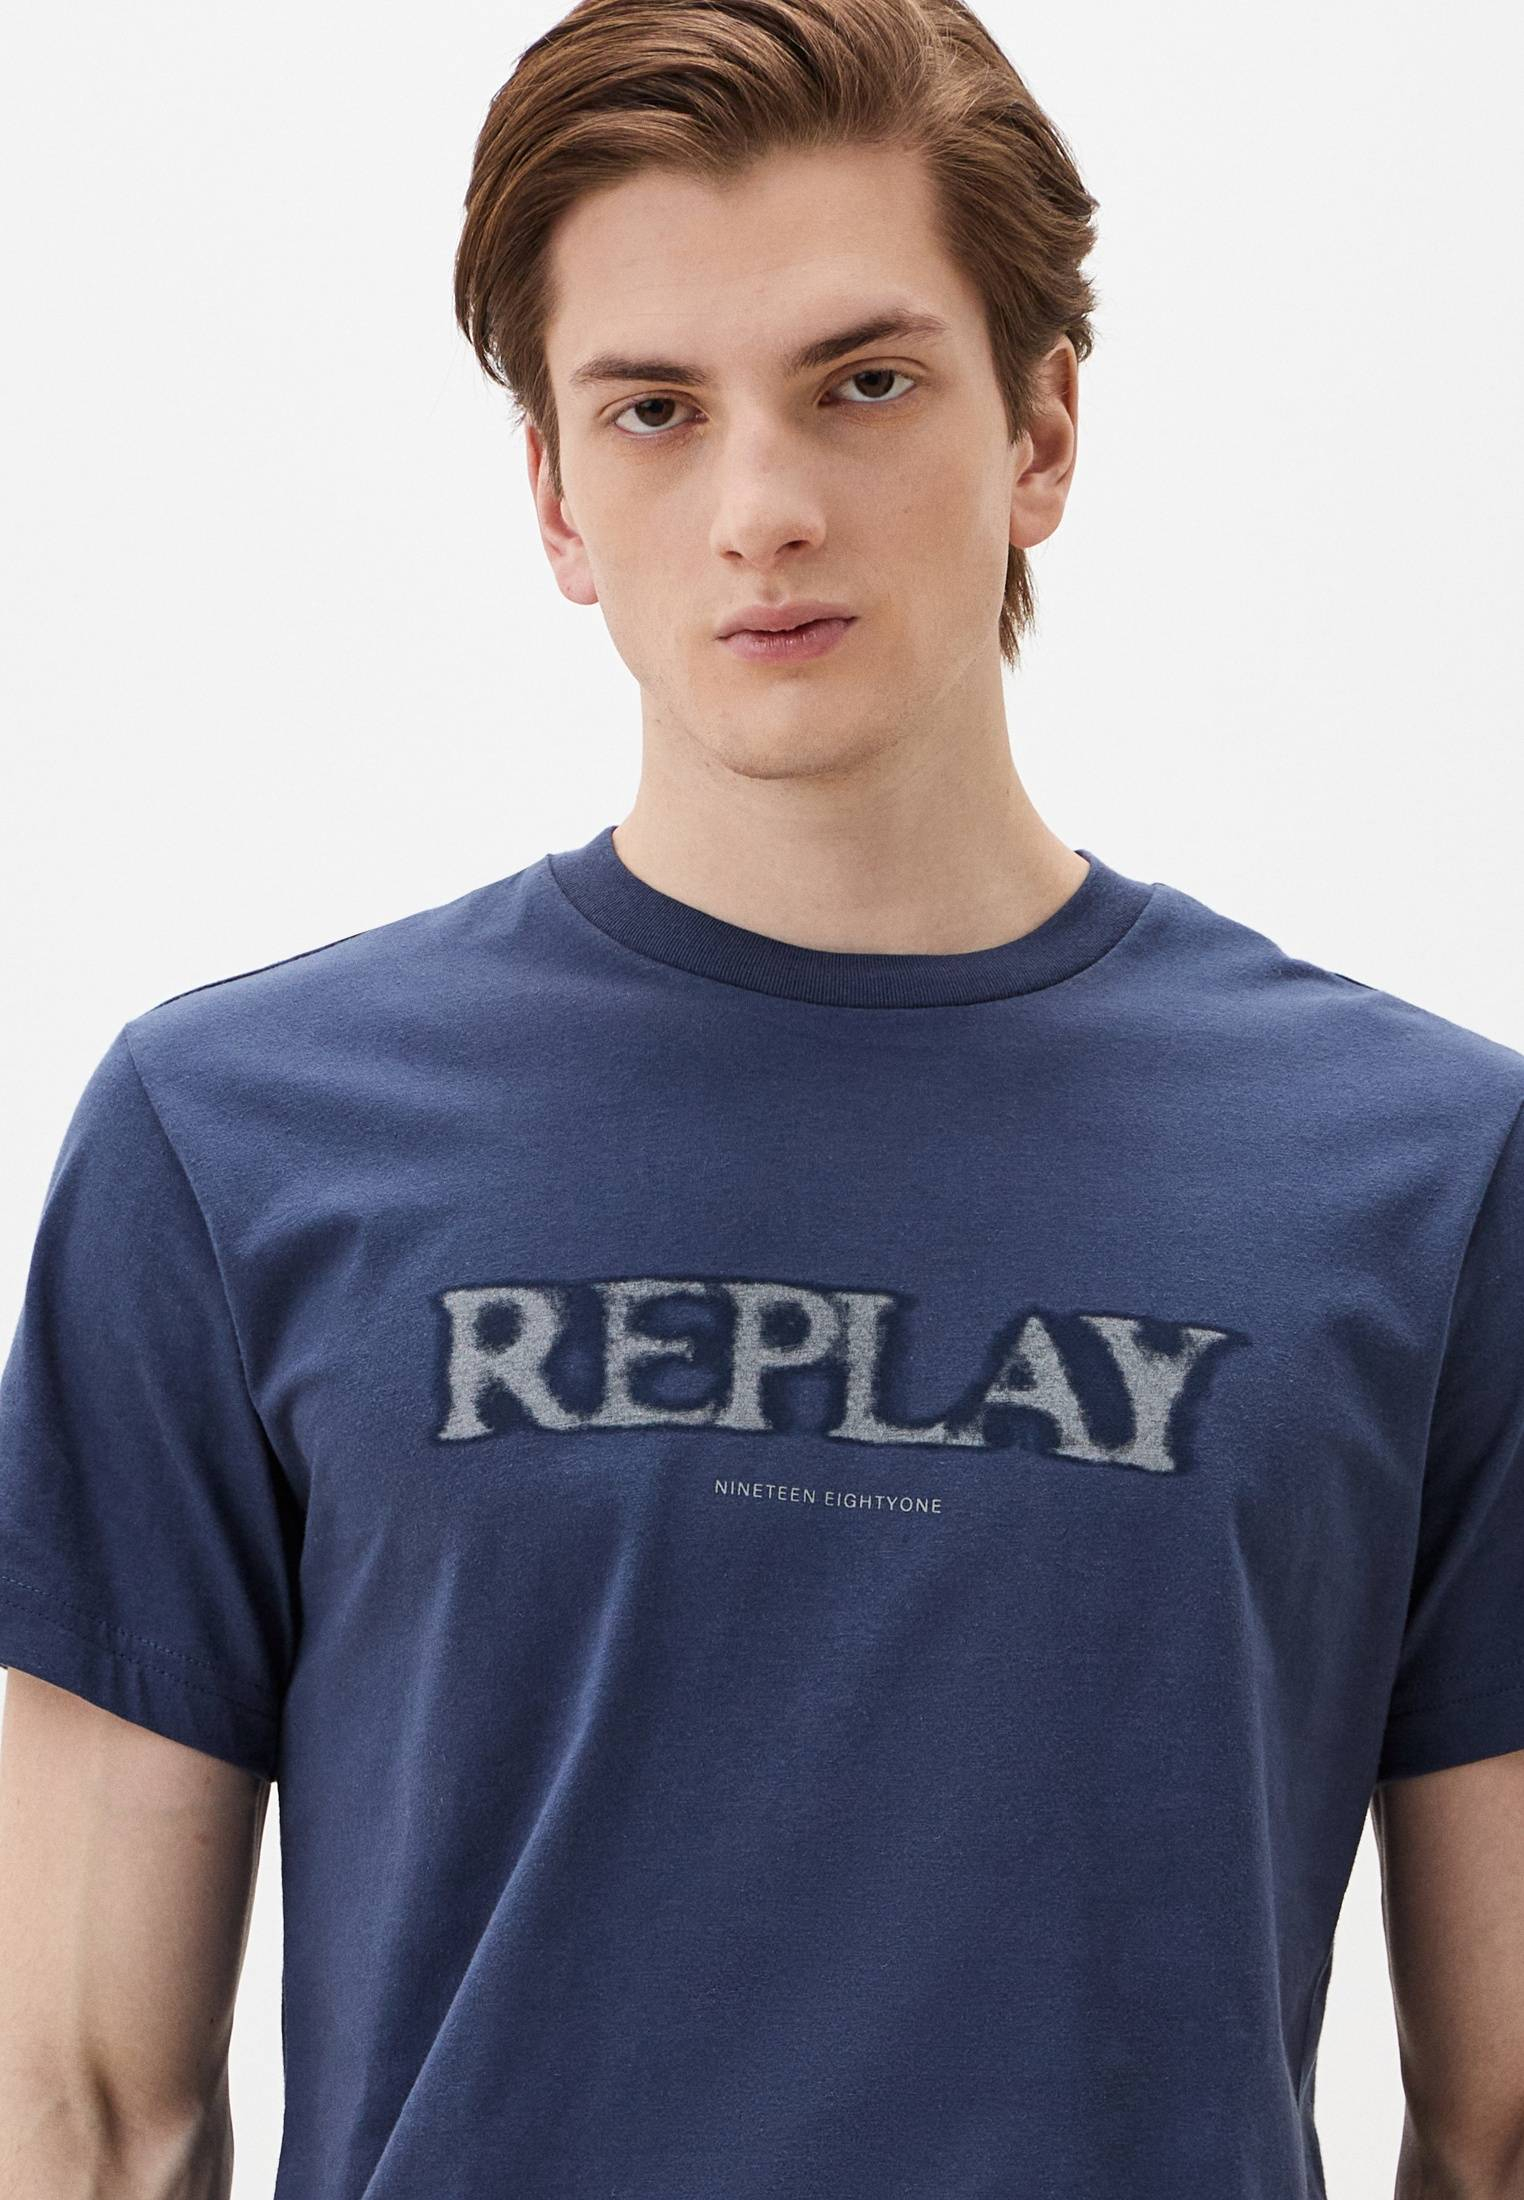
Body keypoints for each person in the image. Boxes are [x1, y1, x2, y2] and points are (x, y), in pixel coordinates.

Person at [2, 0, 1521, 2191]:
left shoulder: (1426, 1178)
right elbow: (82, 2110)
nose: (762, 510)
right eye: (654, 409)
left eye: (863, 382)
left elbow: (1500, 2121)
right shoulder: (227, 1141)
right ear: (555, 491)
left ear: (1042, 430)